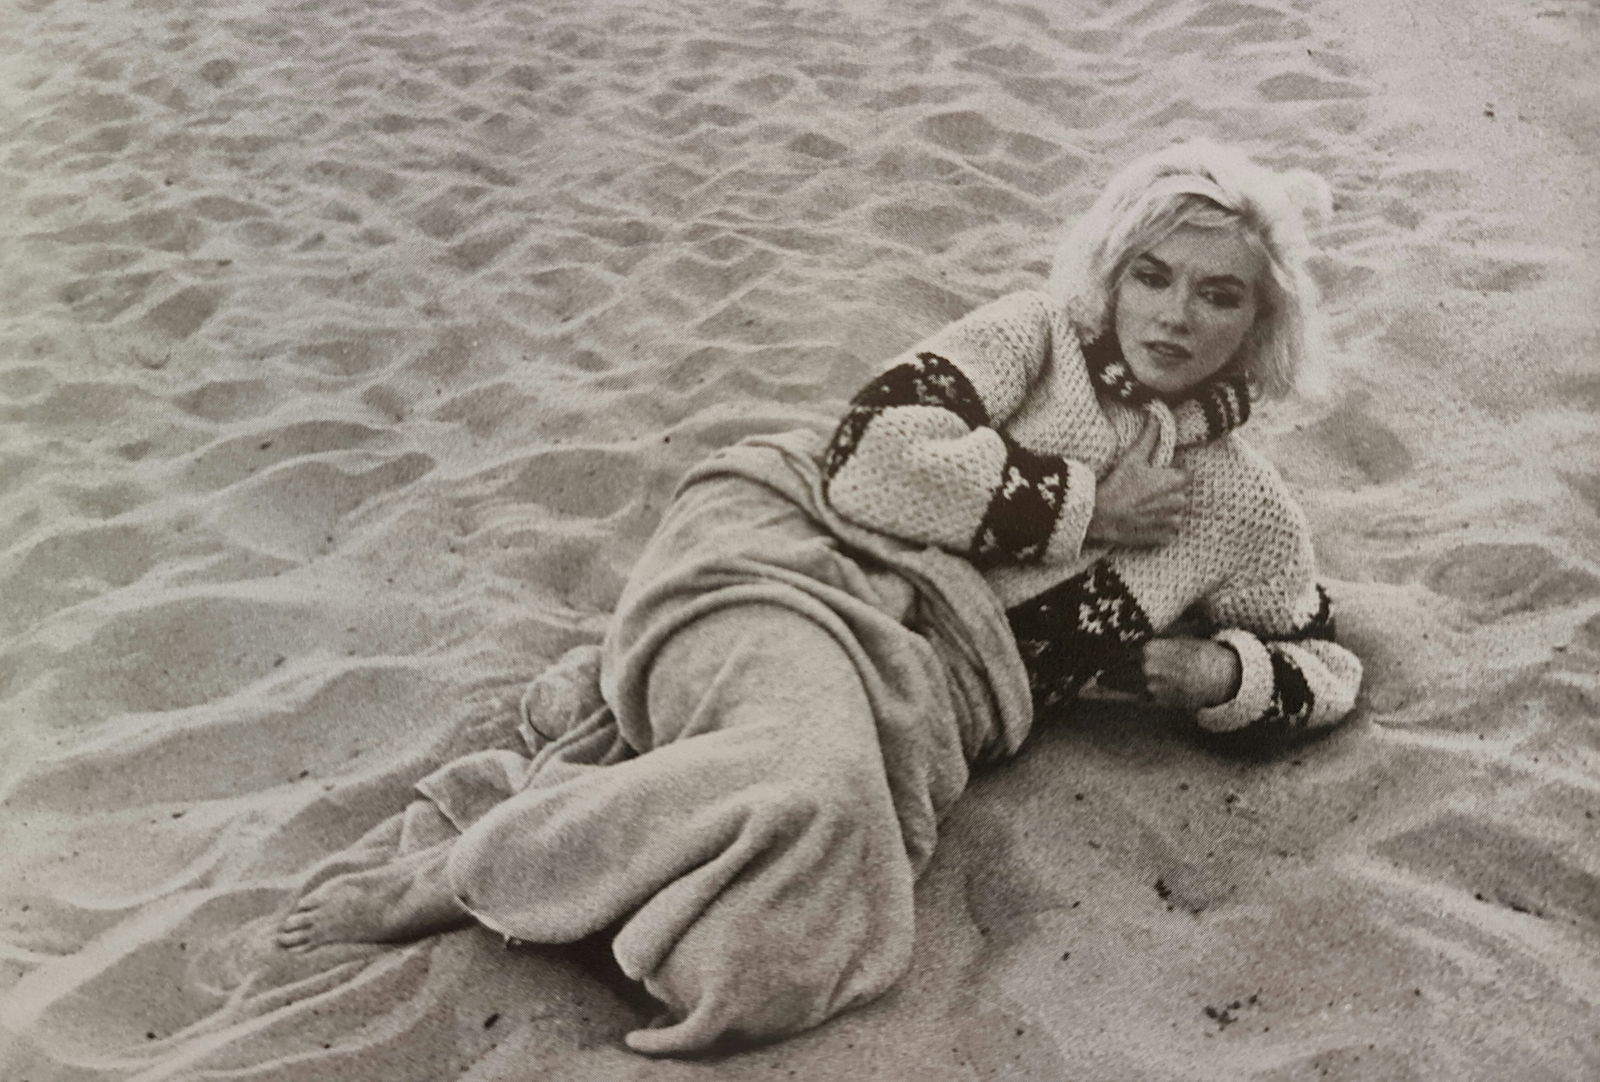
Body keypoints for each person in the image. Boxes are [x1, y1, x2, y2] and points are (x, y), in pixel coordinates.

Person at [273, 139, 1363, 1055]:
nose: (1175, 314)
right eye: (1151, 273)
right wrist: (1081, 505)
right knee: (811, 769)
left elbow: (1325, 661)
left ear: (1262, 322)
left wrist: (1225, 673)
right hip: (792, 565)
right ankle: (470, 870)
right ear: (1112, 269)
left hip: (926, 702)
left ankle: (612, 805)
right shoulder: (1031, 336)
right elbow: (868, 457)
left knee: (759, 962)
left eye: (1218, 293)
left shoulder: (1240, 508)